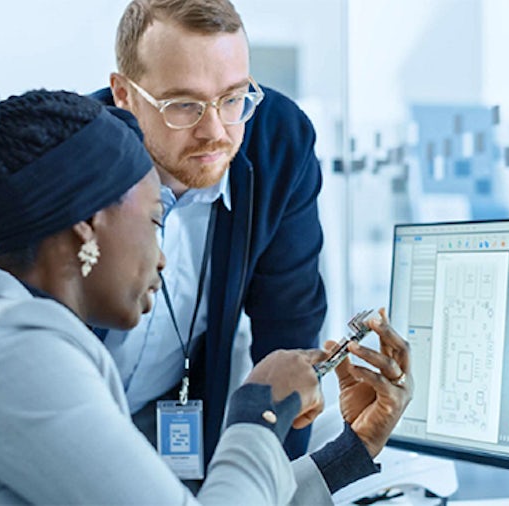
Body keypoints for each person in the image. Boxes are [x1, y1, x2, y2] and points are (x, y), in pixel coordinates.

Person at [0, 77, 413, 504]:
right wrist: (258, 411)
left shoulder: (7, 333)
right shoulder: (14, 353)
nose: (163, 257)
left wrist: (350, 453)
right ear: (87, 229)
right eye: (153, 222)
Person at [91, 0, 363, 465]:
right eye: (184, 105)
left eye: (234, 98)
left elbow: (288, 337)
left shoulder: (278, 141)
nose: (215, 131)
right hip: (66, 409)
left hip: (172, 418)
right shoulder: (72, 153)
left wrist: (281, 483)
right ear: (124, 94)